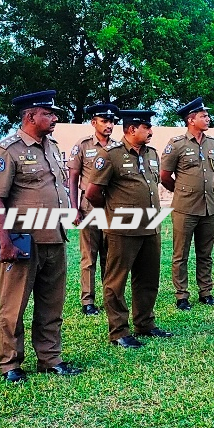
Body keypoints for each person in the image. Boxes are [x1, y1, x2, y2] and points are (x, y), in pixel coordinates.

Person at [0, 90, 82, 383]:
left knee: (51, 304)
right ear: (30, 116)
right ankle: (11, 364)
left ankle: (50, 359)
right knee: (13, 307)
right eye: (48, 114)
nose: (54, 118)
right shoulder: (7, 150)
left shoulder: (51, 147)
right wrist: (5, 243)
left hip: (54, 237)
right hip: (23, 242)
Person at [86, 109, 173, 349]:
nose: (151, 131)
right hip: (122, 230)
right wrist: (113, 212)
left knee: (148, 279)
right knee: (116, 282)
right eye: (146, 127)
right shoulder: (110, 155)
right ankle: (119, 331)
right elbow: (93, 193)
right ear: (132, 129)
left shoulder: (152, 154)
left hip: (150, 227)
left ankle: (145, 323)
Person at [160, 97, 214, 311]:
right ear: (191, 120)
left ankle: (206, 292)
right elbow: (164, 176)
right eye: (204, 116)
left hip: (209, 207)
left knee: (205, 253)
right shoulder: (177, 144)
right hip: (185, 208)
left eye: (207, 115)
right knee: (181, 254)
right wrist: (181, 191)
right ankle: (182, 295)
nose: (208, 118)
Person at [67, 103, 120, 316]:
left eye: (112, 122)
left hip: (111, 207)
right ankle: (88, 300)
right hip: (88, 207)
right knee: (89, 256)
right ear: (93, 122)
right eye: (104, 121)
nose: (109, 125)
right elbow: (73, 178)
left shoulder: (118, 147)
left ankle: (110, 297)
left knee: (111, 256)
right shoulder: (83, 145)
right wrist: (74, 208)